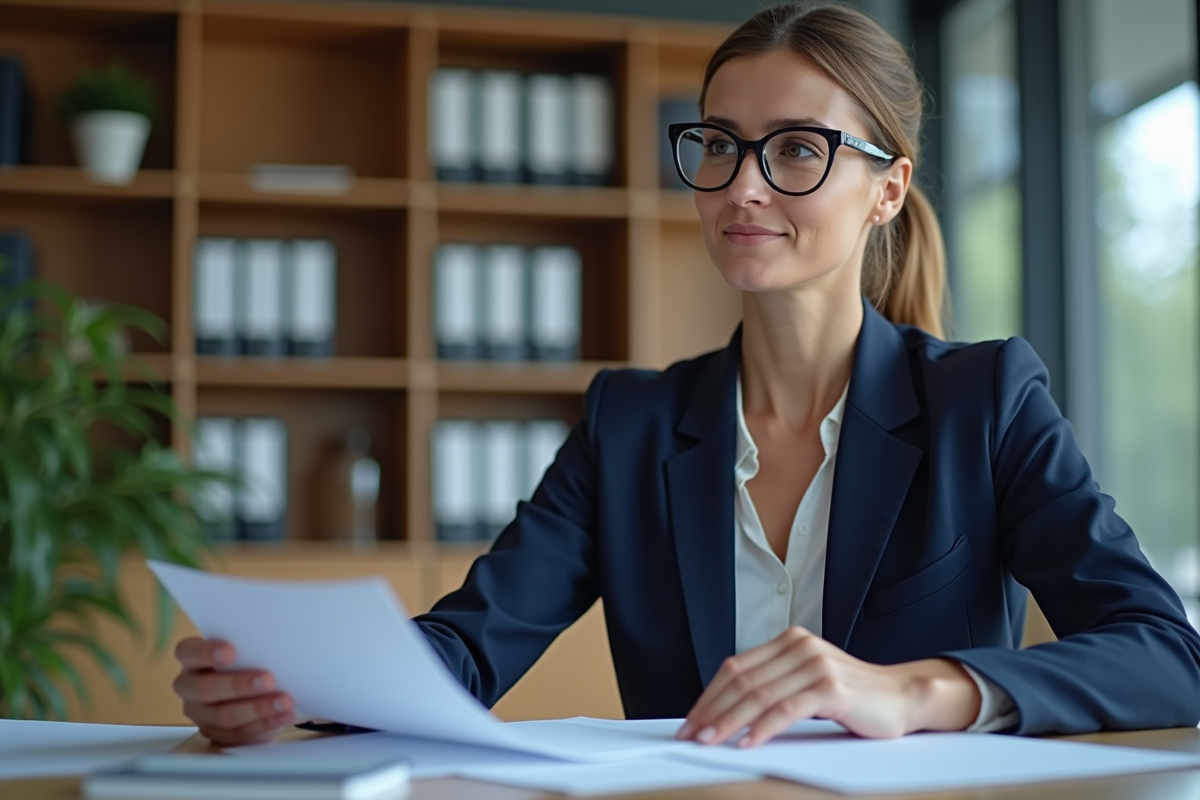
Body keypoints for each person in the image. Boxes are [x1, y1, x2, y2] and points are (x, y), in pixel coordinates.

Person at [171, 1, 1200, 748]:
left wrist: (914, 690)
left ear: (887, 190)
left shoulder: (985, 401)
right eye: (719, 145)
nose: (743, 187)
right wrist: (295, 687)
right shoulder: (632, 423)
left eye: (795, 150)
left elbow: (1165, 651)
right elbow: (472, 647)